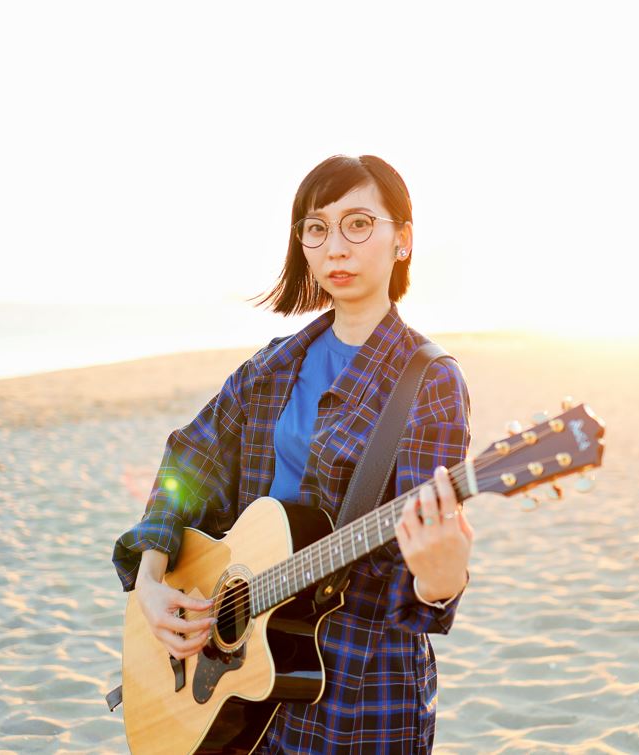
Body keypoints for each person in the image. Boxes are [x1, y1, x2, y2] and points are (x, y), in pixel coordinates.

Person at [112, 154, 483, 753]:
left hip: (357, 693)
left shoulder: (428, 381)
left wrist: (440, 579)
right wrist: (151, 579)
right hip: (235, 682)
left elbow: (416, 588)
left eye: (358, 224)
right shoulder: (271, 367)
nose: (335, 247)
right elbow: (190, 459)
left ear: (403, 239)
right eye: (317, 228)